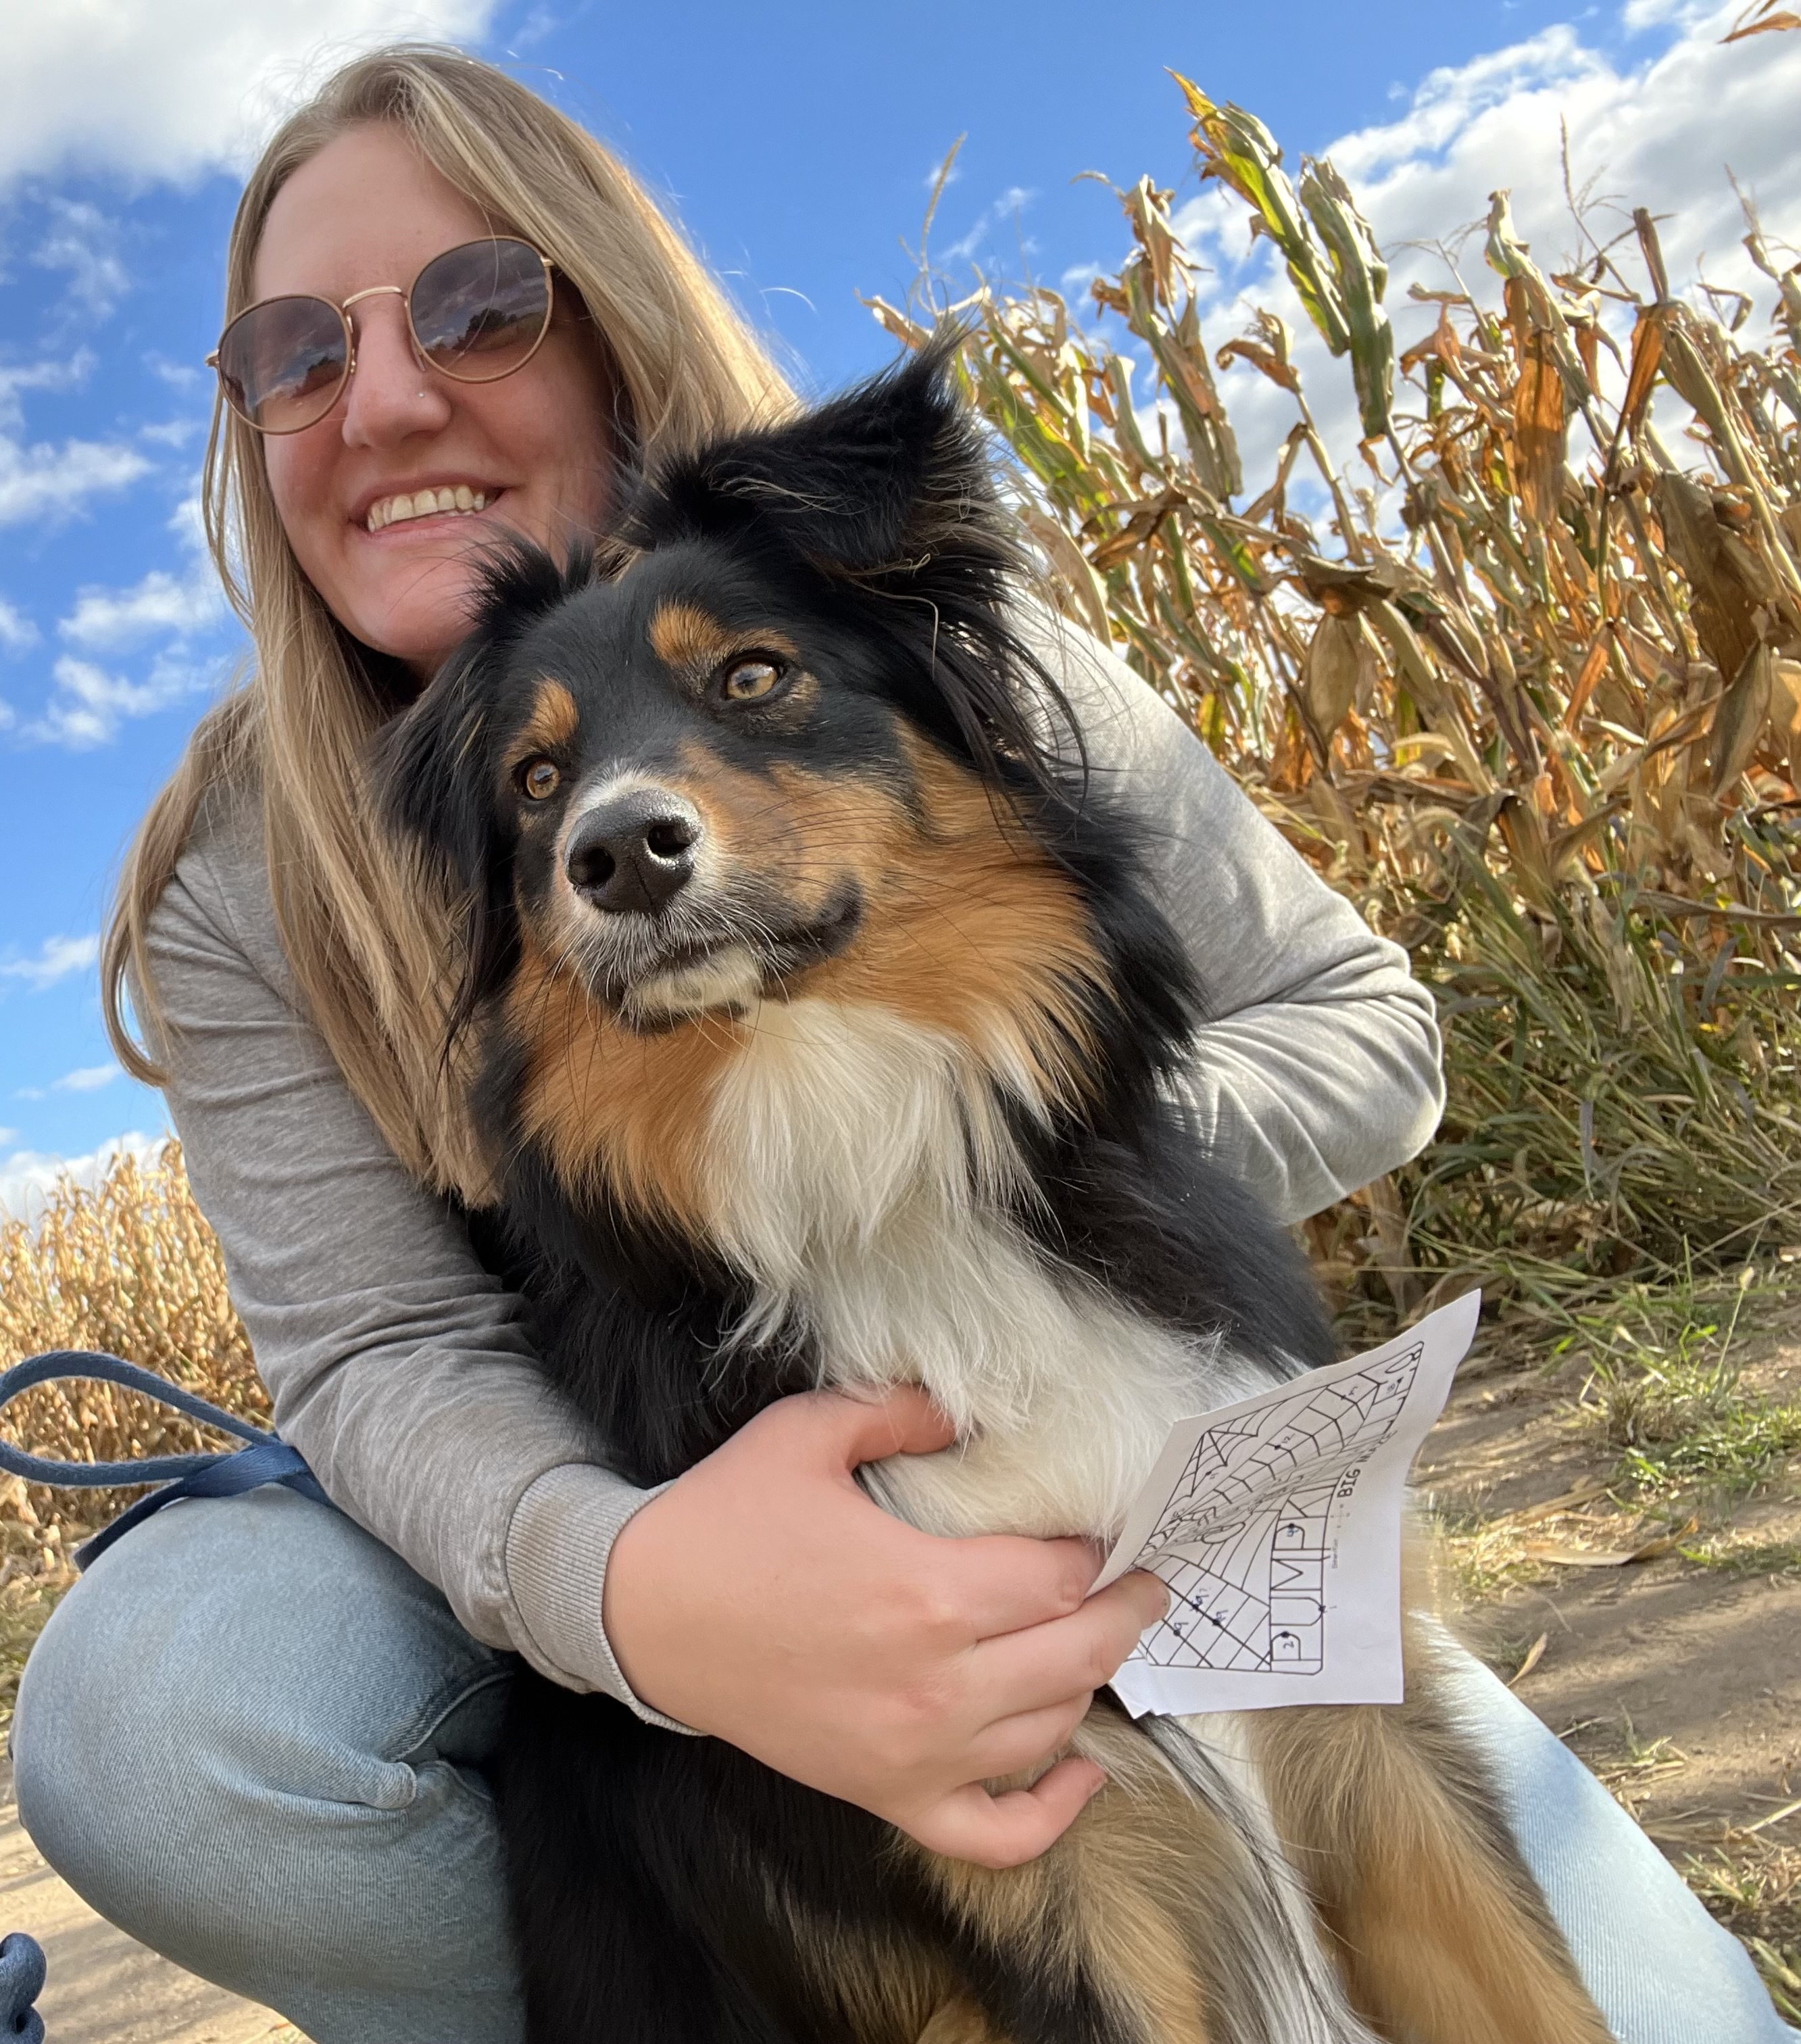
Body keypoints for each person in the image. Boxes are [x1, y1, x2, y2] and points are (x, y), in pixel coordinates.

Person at [7, 42, 1785, 2044]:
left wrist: (1014, 1154)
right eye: (287, 352)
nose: (389, 394)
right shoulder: (245, 861)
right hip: (620, 1470)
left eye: (477, 304)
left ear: (603, 318)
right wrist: (653, 1607)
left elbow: (1360, 1020)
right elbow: (383, 1352)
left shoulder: (930, 627)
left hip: (1160, 1439)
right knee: (172, 1726)